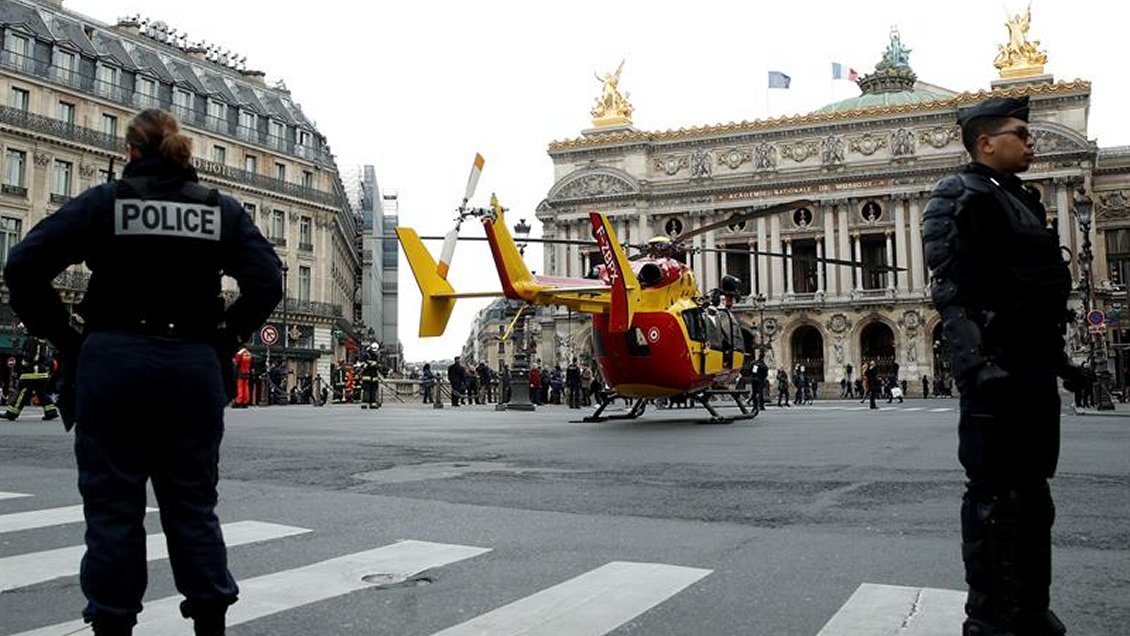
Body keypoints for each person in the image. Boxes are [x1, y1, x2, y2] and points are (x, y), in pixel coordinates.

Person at [3, 108, 282, 635]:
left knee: (113, 511)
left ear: (130, 152)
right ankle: (209, 623)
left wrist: (67, 337)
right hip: (191, 366)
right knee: (193, 507)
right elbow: (267, 281)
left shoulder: (107, 203)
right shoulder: (217, 211)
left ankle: (112, 626)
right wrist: (224, 339)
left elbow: (22, 266)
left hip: (114, 362)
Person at [923, 96, 1083, 636]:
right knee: (995, 499)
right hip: (995, 371)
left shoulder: (1023, 198)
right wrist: (974, 366)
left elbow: (1032, 291)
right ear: (986, 142)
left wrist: (1063, 362)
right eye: (1021, 132)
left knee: (1036, 498)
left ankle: (1031, 609)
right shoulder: (956, 193)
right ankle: (990, 620)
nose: (1032, 140)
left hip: (1032, 369)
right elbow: (949, 287)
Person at [3, 334, 60, 421]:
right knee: (42, 393)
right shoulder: (43, 342)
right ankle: (51, 411)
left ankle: (12, 413)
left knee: (23, 392)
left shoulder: (31, 340)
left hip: (31, 373)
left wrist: (23, 365)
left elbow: (29, 357)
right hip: (42, 373)